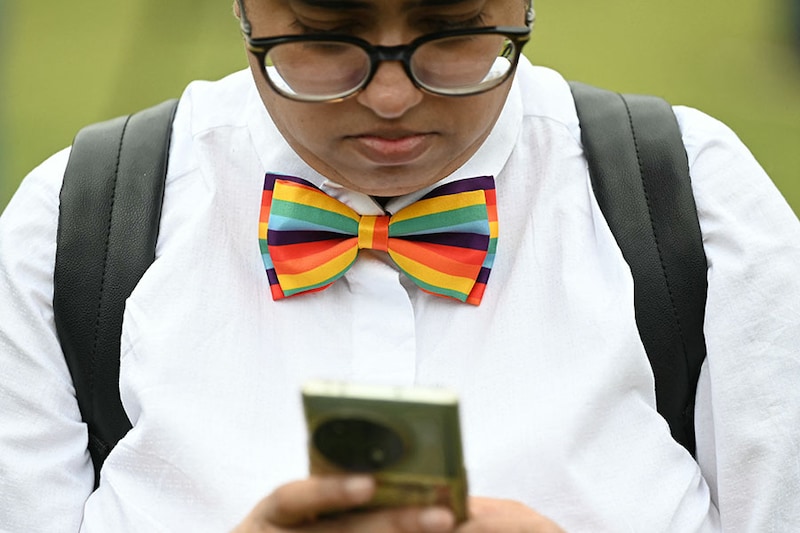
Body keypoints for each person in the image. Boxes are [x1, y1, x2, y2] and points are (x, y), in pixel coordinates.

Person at [1, 0, 799, 531]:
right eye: (322, 36)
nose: (389, 97)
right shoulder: (77, 225)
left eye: (451, 33)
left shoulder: (692, 202)